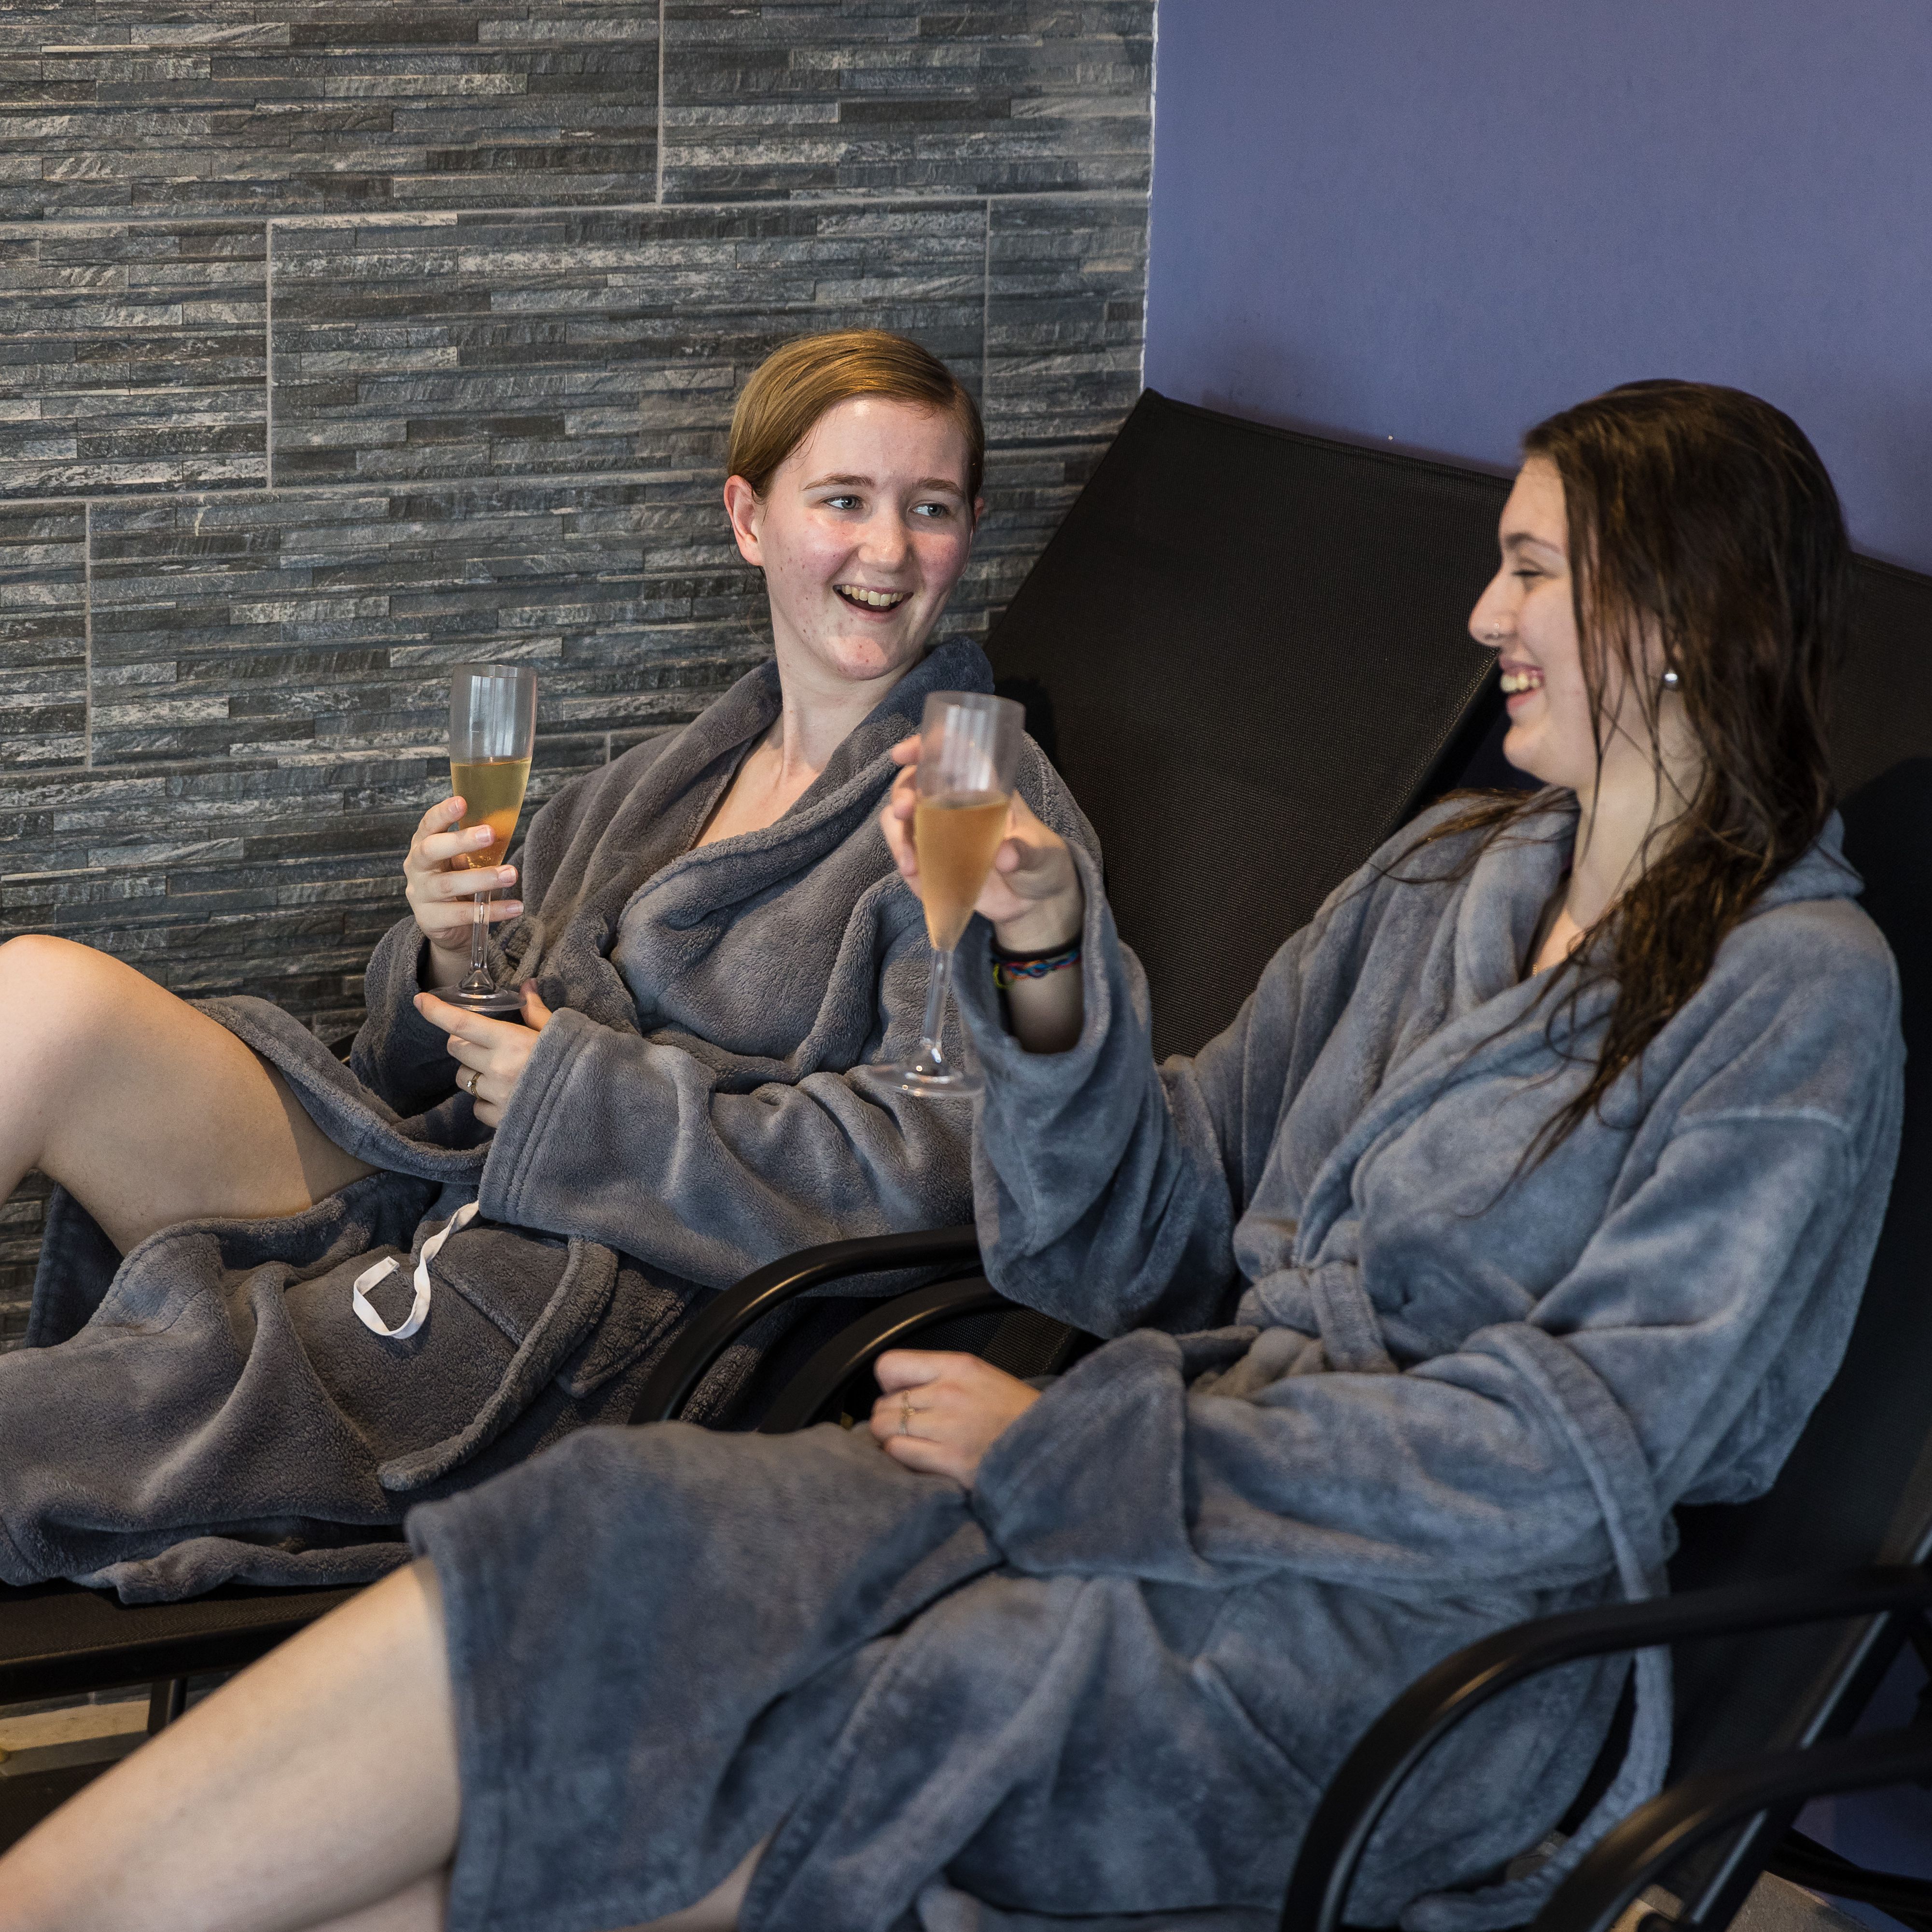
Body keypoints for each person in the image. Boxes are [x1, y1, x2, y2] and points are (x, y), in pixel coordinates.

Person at [0, 381, 1902, 1932]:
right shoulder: (1438, 882)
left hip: (1400, 1641)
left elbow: (1598, 1447)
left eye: (1528, 569)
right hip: (1129, 1474)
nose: (1480, 617)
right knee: (607, 1540)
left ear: (1678, 617)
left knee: (738, 1754)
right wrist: (1052, 964)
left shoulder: (1793, 992)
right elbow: (1154, 1224)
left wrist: (1092, 1452)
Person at [0, 329, 1094, 1602]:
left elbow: (947, 1158)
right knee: (42, 997)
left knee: (43, 1431)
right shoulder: (662, 780)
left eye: (931, 507)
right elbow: (419, 1071)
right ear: (750, 519)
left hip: (596, 1296)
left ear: (969, 531)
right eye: (844, 500)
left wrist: (583, 1104)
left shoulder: (980, 810)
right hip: (439, 1179)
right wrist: (451, 948)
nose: (889, 550)